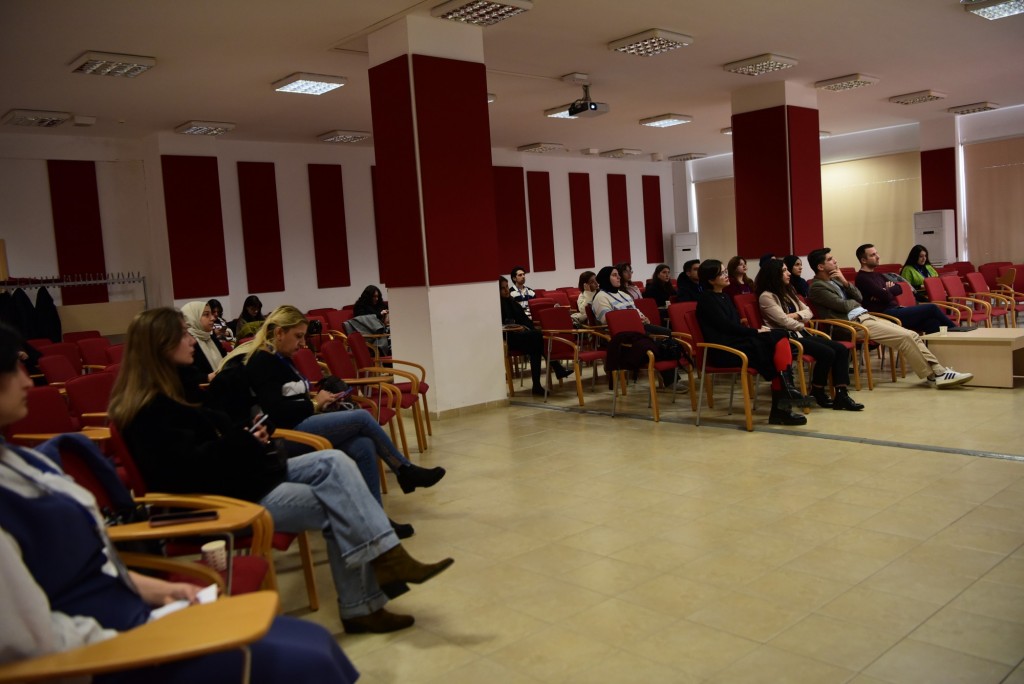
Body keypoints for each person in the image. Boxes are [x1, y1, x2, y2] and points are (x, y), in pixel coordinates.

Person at [0, 322, 360, 682]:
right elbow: (31, 646)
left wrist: (164, 590)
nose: (28, 380)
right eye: (13, 368)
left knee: (314, 641)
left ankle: (372, 575)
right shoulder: (148, 412)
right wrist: (153, 632)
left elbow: (100, 568)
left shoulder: (24, 463)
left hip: (136, 612)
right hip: (110, 651)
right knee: (308, 659)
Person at [109, 308, 454, 634]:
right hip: (224, 499)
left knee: (336, 462)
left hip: (242, 476)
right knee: (340, 502)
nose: (191, 340)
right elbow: (187, 472)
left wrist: (242, 435)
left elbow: (213, 437)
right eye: (184, 334)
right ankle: (363, 603)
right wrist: (244, 441)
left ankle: (387, 560)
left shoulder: (176, 388)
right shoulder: (149, 410)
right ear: (161, 346)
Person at [223, 306, 445, 519]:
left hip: (303, 421)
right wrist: (314, 404)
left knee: (364, 445)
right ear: (279, 333)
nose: (302, 343)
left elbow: (293, 397)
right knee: (362, 417)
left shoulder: (281, 358)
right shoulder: (262, 361)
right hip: (287, 434)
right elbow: (275, 411)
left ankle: (375, 517)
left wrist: (322, 401)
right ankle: (405, 470)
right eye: (298, 336)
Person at [807, 247, 974, 389]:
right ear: (821, 266)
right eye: (830, 259)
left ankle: (939, 372)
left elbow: (859, 297)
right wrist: (857, 302)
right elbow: (845, 305)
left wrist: (844, 282)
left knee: (912, 334)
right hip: (851, 325)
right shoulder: (817, 287)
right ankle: (934, 375)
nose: (835, 261)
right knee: (905, 337)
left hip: (865, 316)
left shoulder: (836, 281)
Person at [697, 259, 810, 426]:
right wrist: (755, 331)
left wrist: (756, 331)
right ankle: (783, 403)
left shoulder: (724, 296)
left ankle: (785, 397)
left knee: (778, 336)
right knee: (772, 346)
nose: (727, 275)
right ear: (710, 279)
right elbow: (727, 328)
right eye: (722, 273)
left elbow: (734, 325)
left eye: (726, 271)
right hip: (724, 350)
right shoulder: (707, 300)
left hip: (737, 342)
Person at [755, 259, 864, 411]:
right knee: (827, 352)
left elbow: (809, 312)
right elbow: (784, 322)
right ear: (774, 274)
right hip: (787, 339)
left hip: (801, 334)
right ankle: (817, 391)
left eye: (787, 270)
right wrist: (800, 321)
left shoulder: (788, 291)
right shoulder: (766, 297)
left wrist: (795, 316)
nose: (788, 273)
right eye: (784, 271)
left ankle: (841, 394)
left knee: (841, 349)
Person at [854, 244, 968, 333]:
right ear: (863, 260)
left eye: (876, 253)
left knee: (933, 323)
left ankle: (935, 352)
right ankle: (956, 331)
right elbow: (886, 296)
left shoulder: (878, 275)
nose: (878, 257)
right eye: (873, 255)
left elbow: (899, 288)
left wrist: (886, 291)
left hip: (896, 310)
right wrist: (886, 291)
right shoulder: (862, 278)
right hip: (885, 315)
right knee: (932, 308)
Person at [500, 277, 570, 395]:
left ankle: (537, 386)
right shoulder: (498, 306)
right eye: (502, 288)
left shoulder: (512, 302)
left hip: (523, 336)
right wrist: (519, 327)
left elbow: (525, 320)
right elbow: (503, 325)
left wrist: (525, 327)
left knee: (536, 346)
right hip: (509, 338)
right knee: (538, 337)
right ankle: (557, 368)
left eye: (507, 286)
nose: (506, 290)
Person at [591, 266, 671, 335]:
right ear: (605, 278)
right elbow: (607, 320)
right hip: (621, 333)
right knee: (658, 340)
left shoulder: (624, 294)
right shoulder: (600, 297)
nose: (619, 277)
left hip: (637, 327)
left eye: (618, 274)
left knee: (668, 333)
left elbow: (636, 311)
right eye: (614, 275)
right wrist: (634, 320)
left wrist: (644, 318)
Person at [181, 301, 228, 384]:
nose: (213, 318)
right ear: (193, 318)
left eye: (211, 314)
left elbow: (225, 359)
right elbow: (186, 376)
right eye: (206, 315)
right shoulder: (187, 342)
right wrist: (207, 378)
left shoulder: (211, 337)